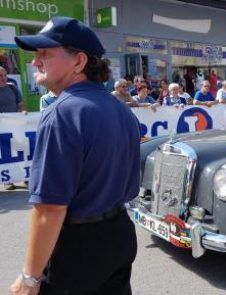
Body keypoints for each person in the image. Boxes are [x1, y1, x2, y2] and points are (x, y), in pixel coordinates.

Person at [11, 16, 140, 294]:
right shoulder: (120, 108)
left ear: (79, 62)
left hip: (77, 249)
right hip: (119, 233)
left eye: (45, 53)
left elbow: (50, 208)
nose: (35, 61)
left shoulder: (62, 112)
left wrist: (30, 278)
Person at [1, 65, 27, 190]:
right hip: (1, 130)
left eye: (5, 75)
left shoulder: (12, 88)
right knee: (5, 154)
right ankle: (8, 181)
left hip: (14, 127)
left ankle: (24, 177)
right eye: (0, 76)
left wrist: (24, 114)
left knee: (20, 151)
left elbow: (21, 104)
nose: (3, 78)